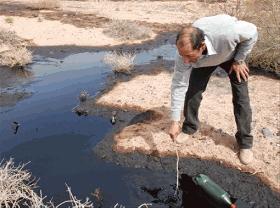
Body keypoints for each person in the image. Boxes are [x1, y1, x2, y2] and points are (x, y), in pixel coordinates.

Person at [169, 14, 258, 165]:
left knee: (241, 97)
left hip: (232, 56)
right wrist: (174, 120)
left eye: (188, 56)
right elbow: (179, 85)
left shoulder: (228, 32)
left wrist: (240, 59)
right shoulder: (185, 56)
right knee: (192, 94)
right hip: (203, 61)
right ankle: (189, 127)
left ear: (201, 46)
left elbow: (252, 32)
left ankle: (245, 143)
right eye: (182, 55)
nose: (185, 61)